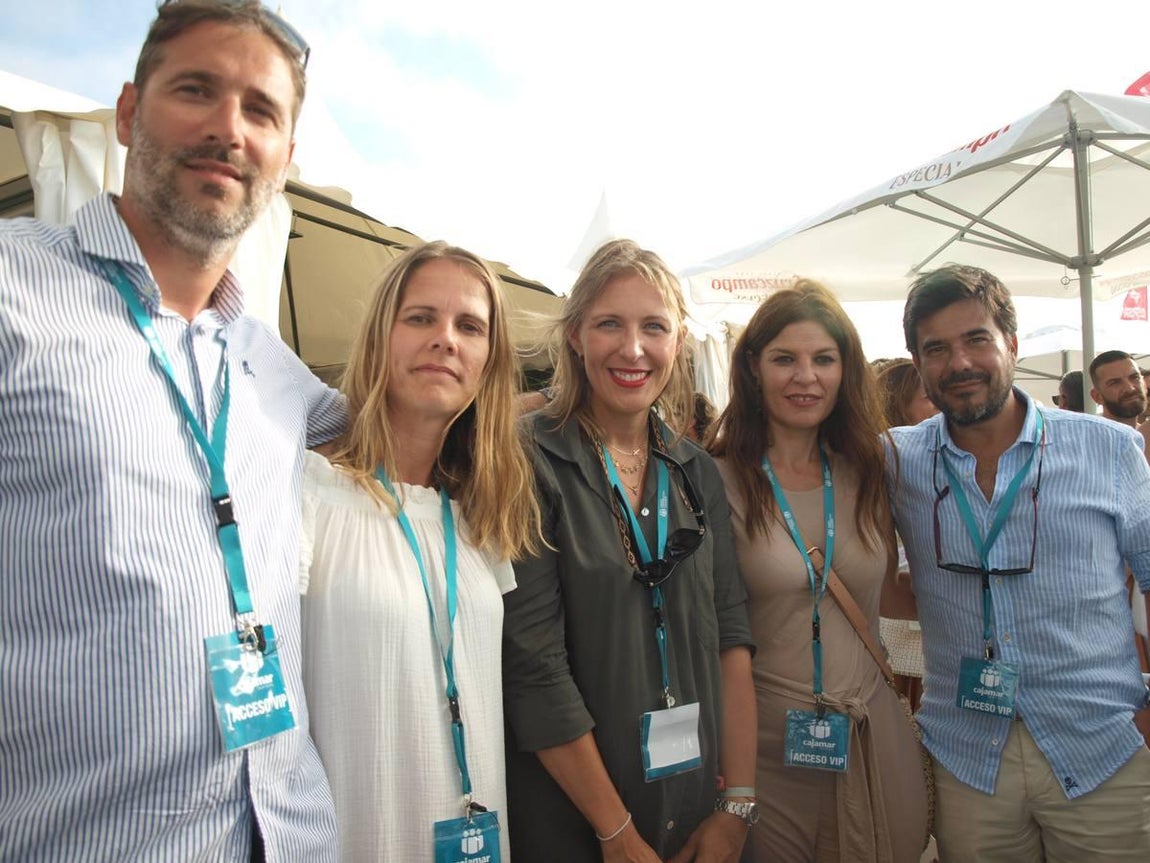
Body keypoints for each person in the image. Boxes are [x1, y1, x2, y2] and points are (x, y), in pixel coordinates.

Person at [0, 3, 344, 860]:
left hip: (292, 833)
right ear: (127, 112)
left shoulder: (273, 366)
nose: (229, 129)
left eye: (261, 111)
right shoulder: (13, 289)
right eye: (197, 90)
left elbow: (414, 428)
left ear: (285, 161)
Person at [502, 239, 757, 863]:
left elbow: (731, 637)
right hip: (577, 824)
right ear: (575, 336)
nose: (633, 348)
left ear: (678, 342)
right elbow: (535, 669)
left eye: (654, 327)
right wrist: (616, 834)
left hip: (698, 813)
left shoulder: (697, 471)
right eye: (609, 324)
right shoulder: (528, 459)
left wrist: (738, 807)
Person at [887, 264, 1150, 862]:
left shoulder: (1108, 450)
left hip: (1102, 748)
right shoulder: (897, 461)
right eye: (937, 349)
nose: (959, 363)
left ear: (1010, 342)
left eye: (976, 339)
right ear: (920, 364)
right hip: (967, 759)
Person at [299, 242, 542, 861]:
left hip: (471, 834)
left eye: (469, 326)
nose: (446, 339)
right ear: (382, 335)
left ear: (490, 360)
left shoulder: (479, 513)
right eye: (420, 318)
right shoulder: (305, 492)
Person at [708, 281, 928, 862]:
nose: (805, 376)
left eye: (823, 359)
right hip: (765, 747)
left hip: (870, 734)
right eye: (785, 359)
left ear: (844, 370)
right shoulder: (716, 480)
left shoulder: (873, 469)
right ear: (754, 368)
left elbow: (889, 594)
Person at [875, 358, 940, 712]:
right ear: (899, 403)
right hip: (900, 638)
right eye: (928, 398)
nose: (940, 406)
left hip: (933, 637)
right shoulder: (883, 467)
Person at [1089, 350, 1150, 455]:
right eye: (1115, 383)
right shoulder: (1089, 441)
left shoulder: (1145, 435)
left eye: (1134, 377)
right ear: (1097, 396)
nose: (1130, 388)